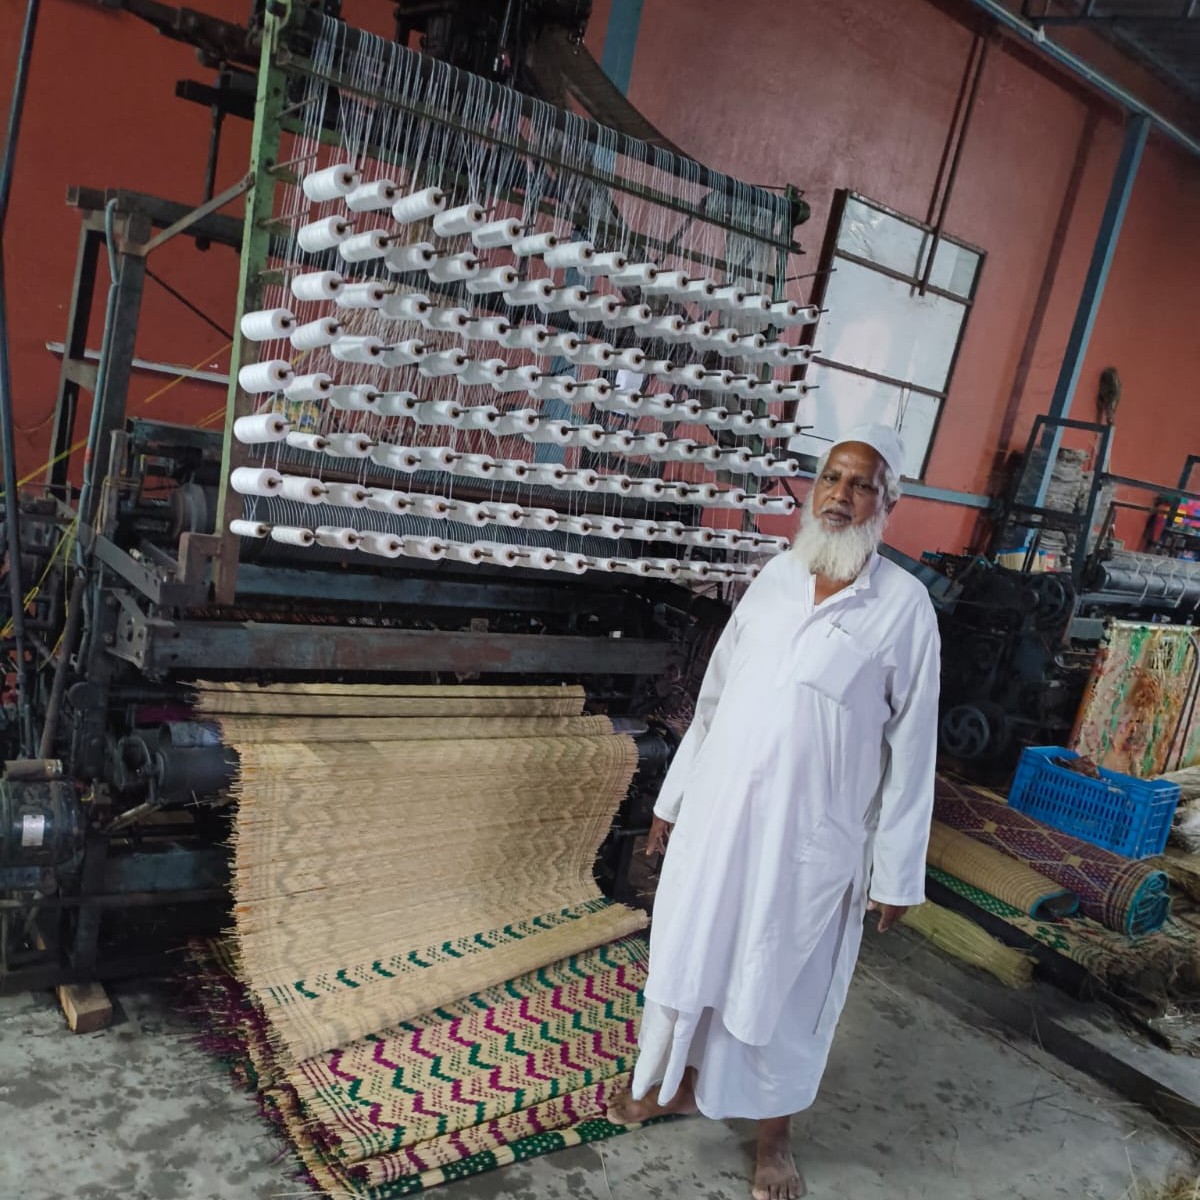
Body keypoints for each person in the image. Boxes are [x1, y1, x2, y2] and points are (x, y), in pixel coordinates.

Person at [607, 424, 941, 1200]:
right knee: (693, 955)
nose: (840, 495)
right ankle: (669, 1084)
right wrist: (672, 802)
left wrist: (897, 873)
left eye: (861, 484)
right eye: (831, 478)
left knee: (781, 988)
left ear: (887, 503)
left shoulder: (904, 608)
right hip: (720, 824)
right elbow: (714, 700)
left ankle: (774, 1138)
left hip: (809, 845)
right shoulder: (775, 579)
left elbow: (913, 748)